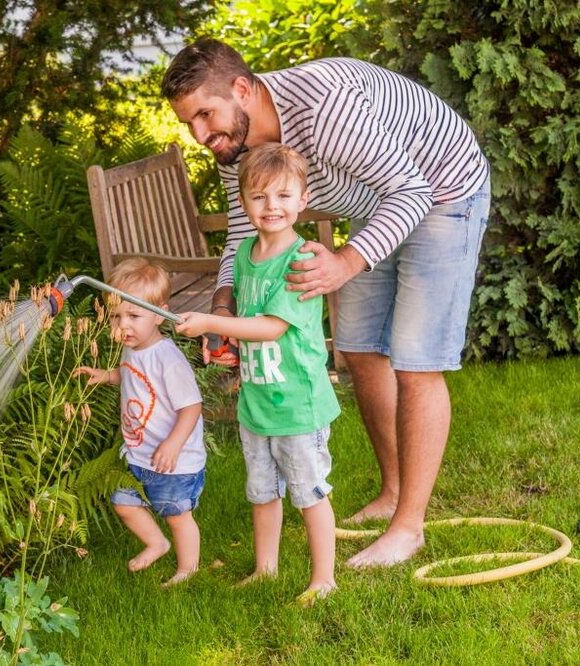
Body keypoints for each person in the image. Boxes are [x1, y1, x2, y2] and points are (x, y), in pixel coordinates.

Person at [161, 38, 491, 567]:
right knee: (359, 348)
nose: (201, 135)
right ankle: (390, 494)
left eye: (206, 114)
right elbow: (242, 234)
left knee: (416, 360)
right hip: (379, 203)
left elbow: (410, 192)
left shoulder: (326, 109)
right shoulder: (234, 146)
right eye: (189, 123)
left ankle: (409, 527)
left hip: (442, 189)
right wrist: (224, 309)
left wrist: (345, 262)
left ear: (242, 89)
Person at [175, 143, 340, 605]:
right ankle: (265, 569)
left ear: (303, 200)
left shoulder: (302, 260)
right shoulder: (246, 254)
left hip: (298, 403)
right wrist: (229, 344)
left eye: (284, 196)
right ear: (243, 202)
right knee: (262, 491)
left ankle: (323, 578)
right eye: (260, 197)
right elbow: (249, 321)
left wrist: (211, 322)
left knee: (309, 493)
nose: (272, 207)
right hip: (257, 401)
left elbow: (271, 327)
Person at [73, 258, 205, 587]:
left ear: (160, 314)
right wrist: (106, 376)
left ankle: (188, 569)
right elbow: (131, 376)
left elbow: (192, 407)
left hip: (175, 461)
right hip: (140, 455)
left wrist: (173, 445)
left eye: (134, 316)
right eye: (116, 316)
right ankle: (156, 543)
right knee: (123, 502)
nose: (123, 325)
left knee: (176, 515)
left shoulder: (167, 358)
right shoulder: (133, 350)